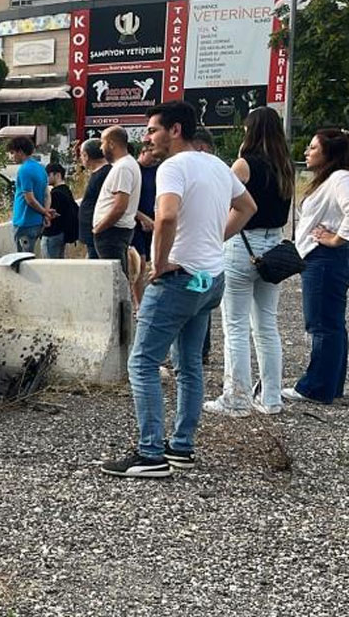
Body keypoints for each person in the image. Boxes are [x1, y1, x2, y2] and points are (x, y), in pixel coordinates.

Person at [102, 101, 256, 478]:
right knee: (189, 365)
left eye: (153, 129)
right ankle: (182, 447)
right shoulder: (217, 165)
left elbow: (167, 215)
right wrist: (214, 237)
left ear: (174, 130)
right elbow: (247, 206)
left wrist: (161, 260)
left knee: (142, 362)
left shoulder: (173, 167)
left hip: (178, 278)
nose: (147, 137)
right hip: (210, 278)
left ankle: (151, 454)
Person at [201, 107, 295, 417]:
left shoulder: (244, 165)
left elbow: (222, 200)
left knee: (236, 325)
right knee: (267, 326)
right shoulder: (286, 166)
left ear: (250, 130)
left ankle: (236, 397)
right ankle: (271, 398)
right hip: (274, 247)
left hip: (243, 245)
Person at [285, 128, 349, 406]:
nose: (306, 152)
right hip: (321, 258)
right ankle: (330, 385)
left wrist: (336, 239)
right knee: (331, 323)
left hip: (325, 258)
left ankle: (316, 387)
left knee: (322, 323)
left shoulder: (339, 177)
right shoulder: (330, 179)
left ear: (329, 154)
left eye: (312, 147)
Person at [92, 127, 141, 276]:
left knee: (114, 280)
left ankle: (122, 300)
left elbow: (120, 206)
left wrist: (99, 228)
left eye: (103, 143)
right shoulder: (126, 164)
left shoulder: (123, 168)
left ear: (112, 144)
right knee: (118, 278)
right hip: (115, 231)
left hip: (112, 233)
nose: (101, 148)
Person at [7, 136, 52, 254]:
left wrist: (44, 212)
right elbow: (46, 194)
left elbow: (29, 199)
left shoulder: (24, 170)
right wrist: (46, 213)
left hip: (24, 221)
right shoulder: (40, 167)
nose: (11, 156)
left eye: (12, 153)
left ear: (20, 152)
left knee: (22, 258)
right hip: (37, 221)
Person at [131, 149, 161, 305]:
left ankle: (153, 298)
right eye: (152, 154)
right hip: (135, 222)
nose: (155, 158)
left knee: (156, 260)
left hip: (155, 220)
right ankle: (139, 304)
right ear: (142, 153)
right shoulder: (134, 170)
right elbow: (127, 201)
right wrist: (142, 217)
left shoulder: (159, 170)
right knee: (139, 263)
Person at [75, 139, 110, 259]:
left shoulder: (104, 173)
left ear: (86, 155)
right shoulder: (97, 173)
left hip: (98, 230)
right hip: (91, 231)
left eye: (81, 155)